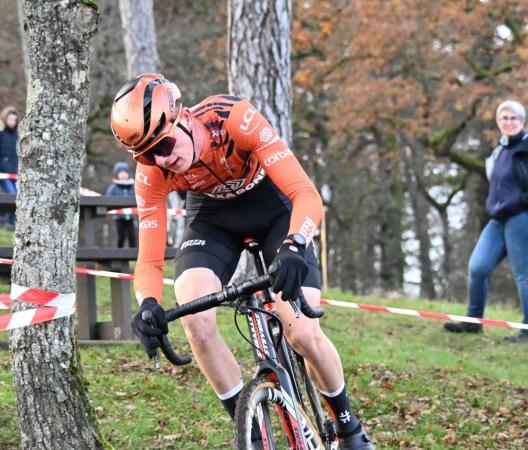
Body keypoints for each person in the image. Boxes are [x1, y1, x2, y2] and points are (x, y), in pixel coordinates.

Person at [110, 73, 373, 450]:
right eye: (148, 154)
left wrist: (296, 245)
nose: (163, 159)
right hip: (213, 218)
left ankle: (348, 428)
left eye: (164, 144)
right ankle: (249, 431)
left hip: (273, 207)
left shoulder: (234, 119)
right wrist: (148, 304)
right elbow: (149, 259)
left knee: (301, 330)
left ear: (181, 117)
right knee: (193, 314)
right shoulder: (152, 172)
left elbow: (305, 194)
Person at [443, 100, 528, 345]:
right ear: (498, 122)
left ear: (522, 121)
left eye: (514, 118)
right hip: (497, 220)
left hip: (522, 218)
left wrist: (520, 200)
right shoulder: (499, 150)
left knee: (523, 275)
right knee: (477, 267)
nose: (509, 122)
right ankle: (473, 322)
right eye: (504, 118)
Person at [106, 162, 136, 248]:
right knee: (121, 235)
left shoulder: (132, 187)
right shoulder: (113, 188)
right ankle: (119, 254)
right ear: (117, 174)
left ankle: (134, 256)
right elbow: (108, 199)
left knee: (132, 235)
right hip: (119, 217)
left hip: (131, 216)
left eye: (125, 172)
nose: (123, 175)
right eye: (121, 173)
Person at [0, 107, 19, 229]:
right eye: (10, 119)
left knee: (17, 196)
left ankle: (11, 223)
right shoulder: (1, 134)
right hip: (3, 173)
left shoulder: (18, 136)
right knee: (12, 195)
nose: (12, 122)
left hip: (15, 173)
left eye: (15, 120)